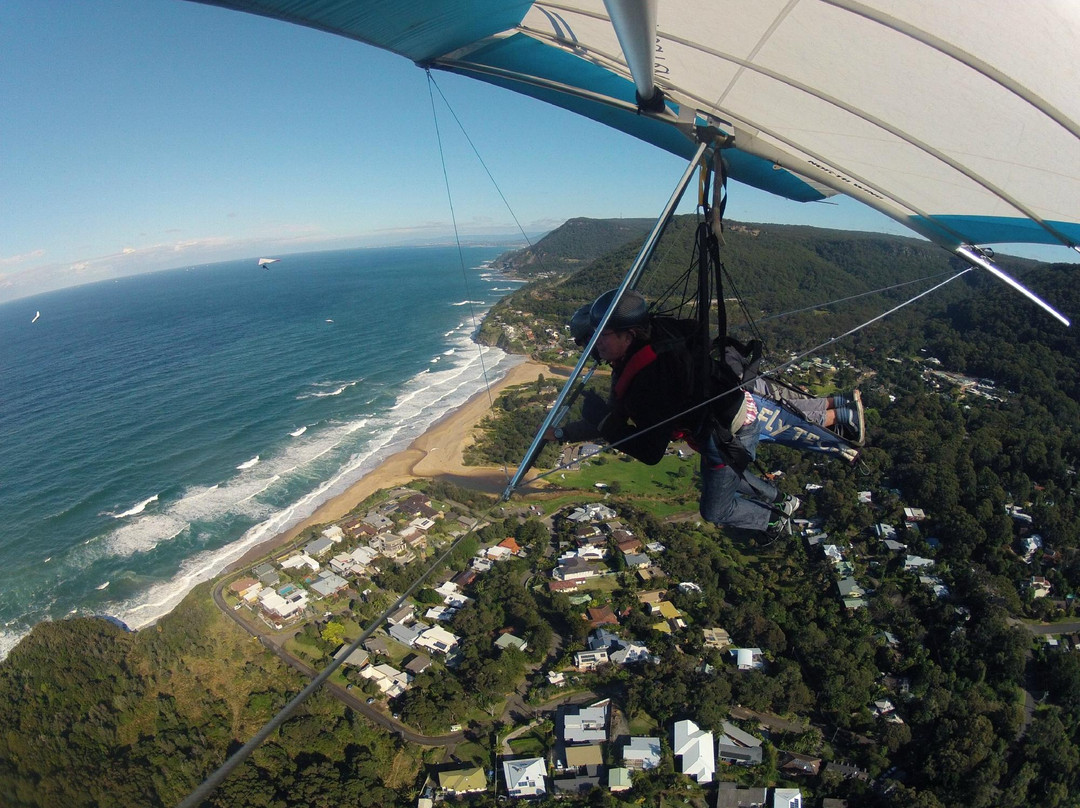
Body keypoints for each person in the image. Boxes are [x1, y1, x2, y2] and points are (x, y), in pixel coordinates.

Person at [549, 289, 801, 538]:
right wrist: (564, 433)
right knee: (720, 476)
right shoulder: (652, 336)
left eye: (602, 335)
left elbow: (650, 452)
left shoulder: (651, 379)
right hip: (721, 418)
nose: (596, 344)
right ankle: (781, 499)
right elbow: (615, 417)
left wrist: (603, 422)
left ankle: (773, 520)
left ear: (629, 335)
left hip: (729, 433)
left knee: (715, 509)